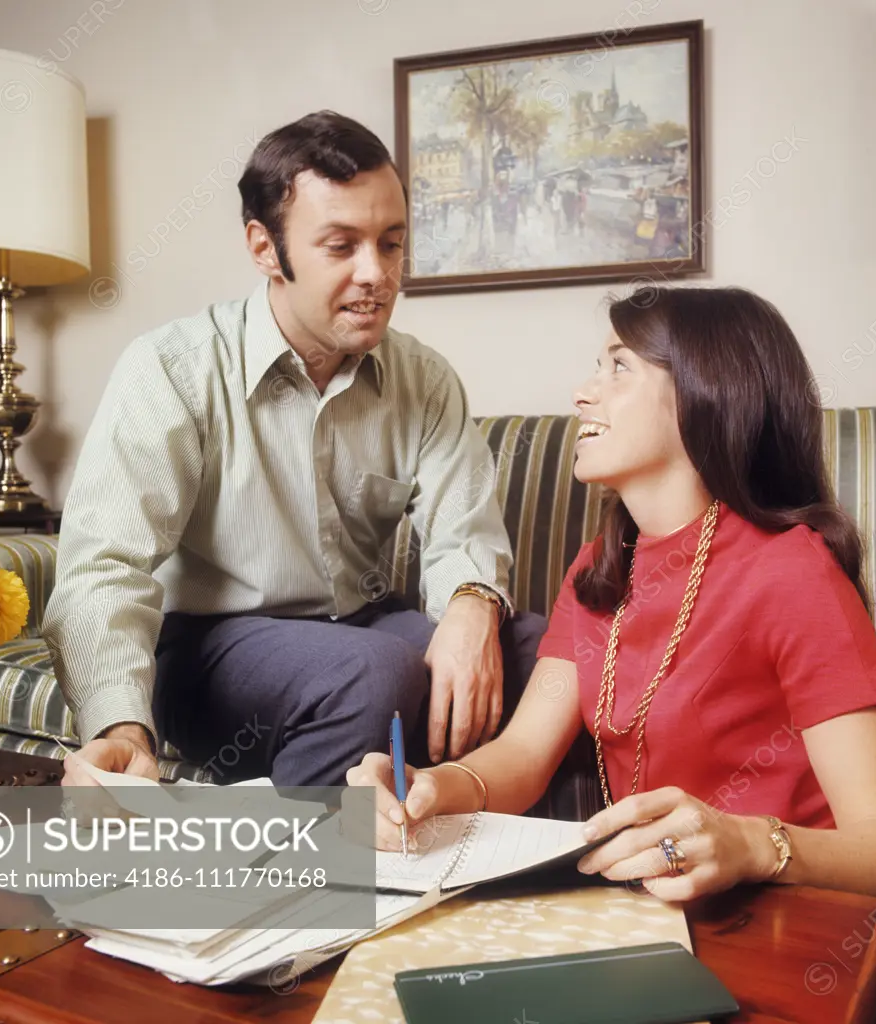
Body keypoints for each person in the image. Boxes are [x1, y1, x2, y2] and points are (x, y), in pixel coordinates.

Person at [348, 285, 876, 908]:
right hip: (655, 912)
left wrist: (750, 845)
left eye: (619, 366)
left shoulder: (793, 573)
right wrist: (429, 787)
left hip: (786, 919)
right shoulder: (598, 569)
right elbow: (523, 755)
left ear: (707, 393)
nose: (582, 392)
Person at [44, 111, 546, 789]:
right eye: (341, 246)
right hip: (209, 645)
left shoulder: (424, 379)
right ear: (264, 248)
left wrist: (472, 602)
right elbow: (102, 566)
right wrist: (120, 726)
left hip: (363, 625)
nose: (377, 274)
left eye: (391, 244)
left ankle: (526, 875)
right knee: (371, 673)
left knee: (548, 654)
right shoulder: (172, 368)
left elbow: (463, 530)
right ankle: (283, 886)